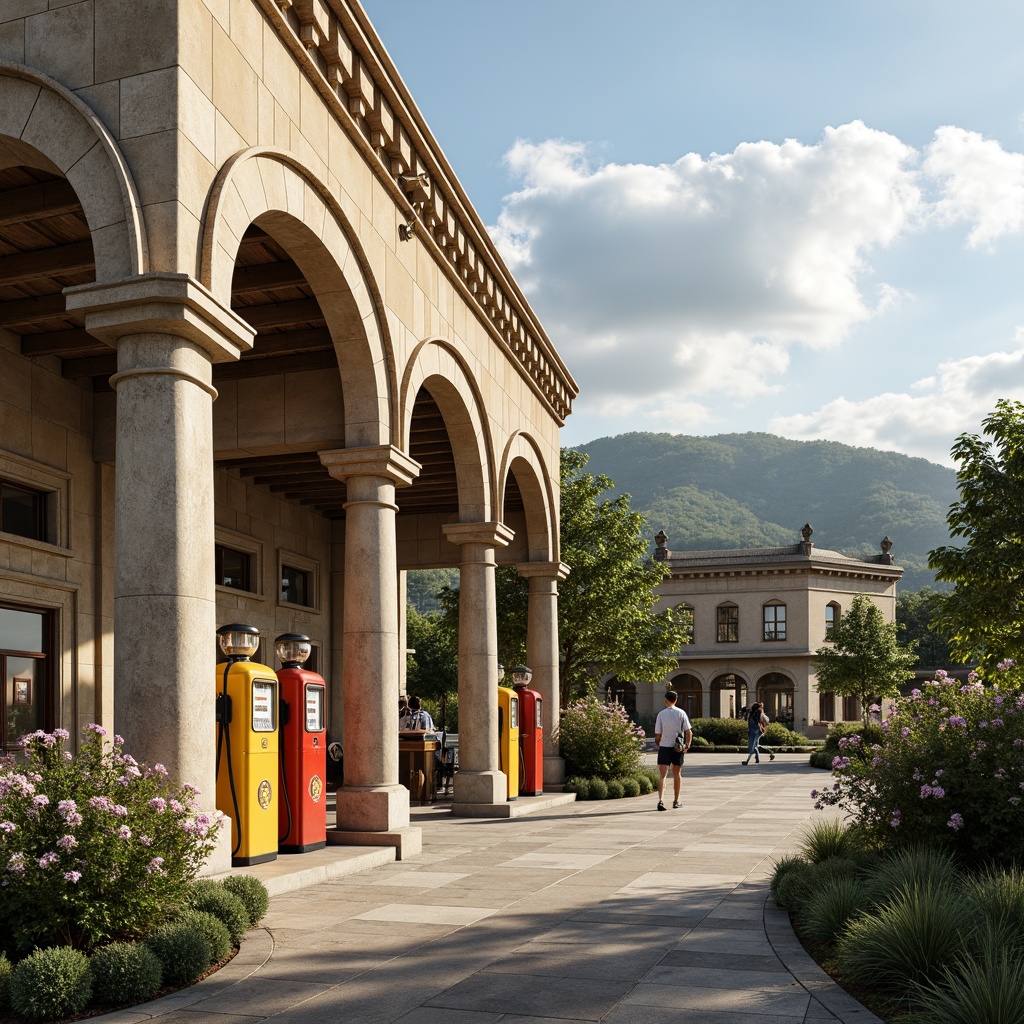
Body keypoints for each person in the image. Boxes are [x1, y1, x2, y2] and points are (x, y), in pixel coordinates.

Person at [654, 690, 691, 811]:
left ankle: (661, 800)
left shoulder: (661, 714)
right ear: (676, 700)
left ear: (665, 700)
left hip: (664, 746)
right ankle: (676, 800)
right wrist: (687, 744)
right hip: (677, 747)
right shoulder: (681, 713)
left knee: (663, 775)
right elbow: (688, 731)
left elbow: (657, 734)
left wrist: (658, 743)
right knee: (677, 774)